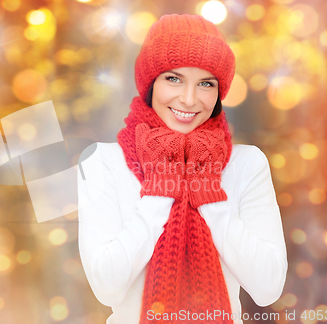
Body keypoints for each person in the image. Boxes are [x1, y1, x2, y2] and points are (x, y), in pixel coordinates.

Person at [77, 14, 287, 324]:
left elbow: (268, 289)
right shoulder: (102, 162)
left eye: (205, 83)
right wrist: (161, 190)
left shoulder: (246, 164)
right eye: (173, 79)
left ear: (219, 92)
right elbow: (108, 288)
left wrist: (210, 197)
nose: (188, 99)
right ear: (150, 83)